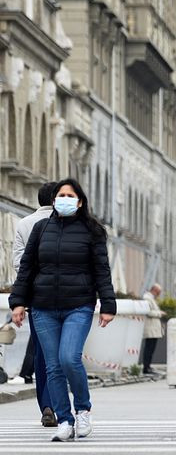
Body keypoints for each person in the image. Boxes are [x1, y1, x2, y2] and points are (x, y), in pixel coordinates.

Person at [9, 179, 116, 442]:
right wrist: (18, 302)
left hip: (78, 305)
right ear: (53, 200)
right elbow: (27, 270)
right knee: (53, 367)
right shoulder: (40, 229)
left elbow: (102, 270)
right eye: (60, 195)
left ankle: (82, 409)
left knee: (69, 358)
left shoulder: (93, 232)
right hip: (43, 306)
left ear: (79, 202)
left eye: (70, 195)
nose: (64, 199)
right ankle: (64, 420)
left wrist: (108, 304)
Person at [11, 181, 57, 426]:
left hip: (37, 297)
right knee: (66, 354)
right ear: (56, 199)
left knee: (42, 353)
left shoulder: (23, 223)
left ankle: (48, 405)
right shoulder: (73, 224)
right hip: (69, 299)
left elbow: (18, 263)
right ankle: (64, 405)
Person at [141, 284, 166, 375]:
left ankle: (148, 366)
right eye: (158, 293)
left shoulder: (150, 298)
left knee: (151, 349)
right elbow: (148, 312)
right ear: (154, 290)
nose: (159, 295)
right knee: (149, 348)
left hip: (153, 328)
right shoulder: (147, 298)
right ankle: (146, 367)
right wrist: (159, 313)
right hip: (150, 328)